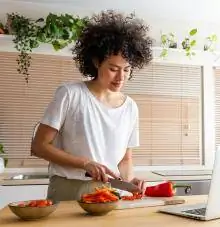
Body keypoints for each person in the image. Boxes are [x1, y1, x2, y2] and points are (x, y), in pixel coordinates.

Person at [31, 10, 153, 201]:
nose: (121, 77)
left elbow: (125, 159)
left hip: (110, 192)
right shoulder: (70, 94)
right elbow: (39, 146)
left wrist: (131, 181)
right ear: (96, 62)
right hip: (69, 189)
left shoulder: (130, 107)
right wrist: (85, 163)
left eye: (127, 70)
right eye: (113, 69)